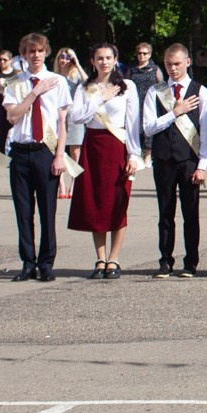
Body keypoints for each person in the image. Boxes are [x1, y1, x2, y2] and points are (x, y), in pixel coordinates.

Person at [67, 42, 143, 278]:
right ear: (92, 61)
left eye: (108, 57)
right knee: (95, 204)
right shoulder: (85, 88)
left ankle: (114, 259)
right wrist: (100, 98)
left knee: (118, 203)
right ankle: (100, 258)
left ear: (115, 59)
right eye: (99, 58)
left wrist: (134, 154)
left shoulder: (127, 86)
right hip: (94, 148)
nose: (104, 62)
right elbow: (77, 117)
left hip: (117, 147)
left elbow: (132, 123)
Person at [142, 42, 207, 279]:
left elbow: (206, 133)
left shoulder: (200, 91)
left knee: (190, 213)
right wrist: (175, 112)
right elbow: (148, 128)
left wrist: (203, 166)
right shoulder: (155, 92)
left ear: (187, 62)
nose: (173, 68)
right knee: (165, 212)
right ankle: (165, 260)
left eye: (176, 64)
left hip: (189, 161)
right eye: (168, 64)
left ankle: (190, 262)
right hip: (163, 160)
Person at [1, 34, 71, 282]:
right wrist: (34, 92)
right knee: (23, 211)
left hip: (45, 150)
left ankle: (46, 263)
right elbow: (12, 117)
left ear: (46, 52)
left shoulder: (58, 81)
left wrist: (60, 155)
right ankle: (27, 262)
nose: (36, 55)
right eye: (31, 51)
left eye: (40, 51)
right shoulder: (15, 83)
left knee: (47, 210)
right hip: (21, 151)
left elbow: (62, 121)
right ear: (24, 54)